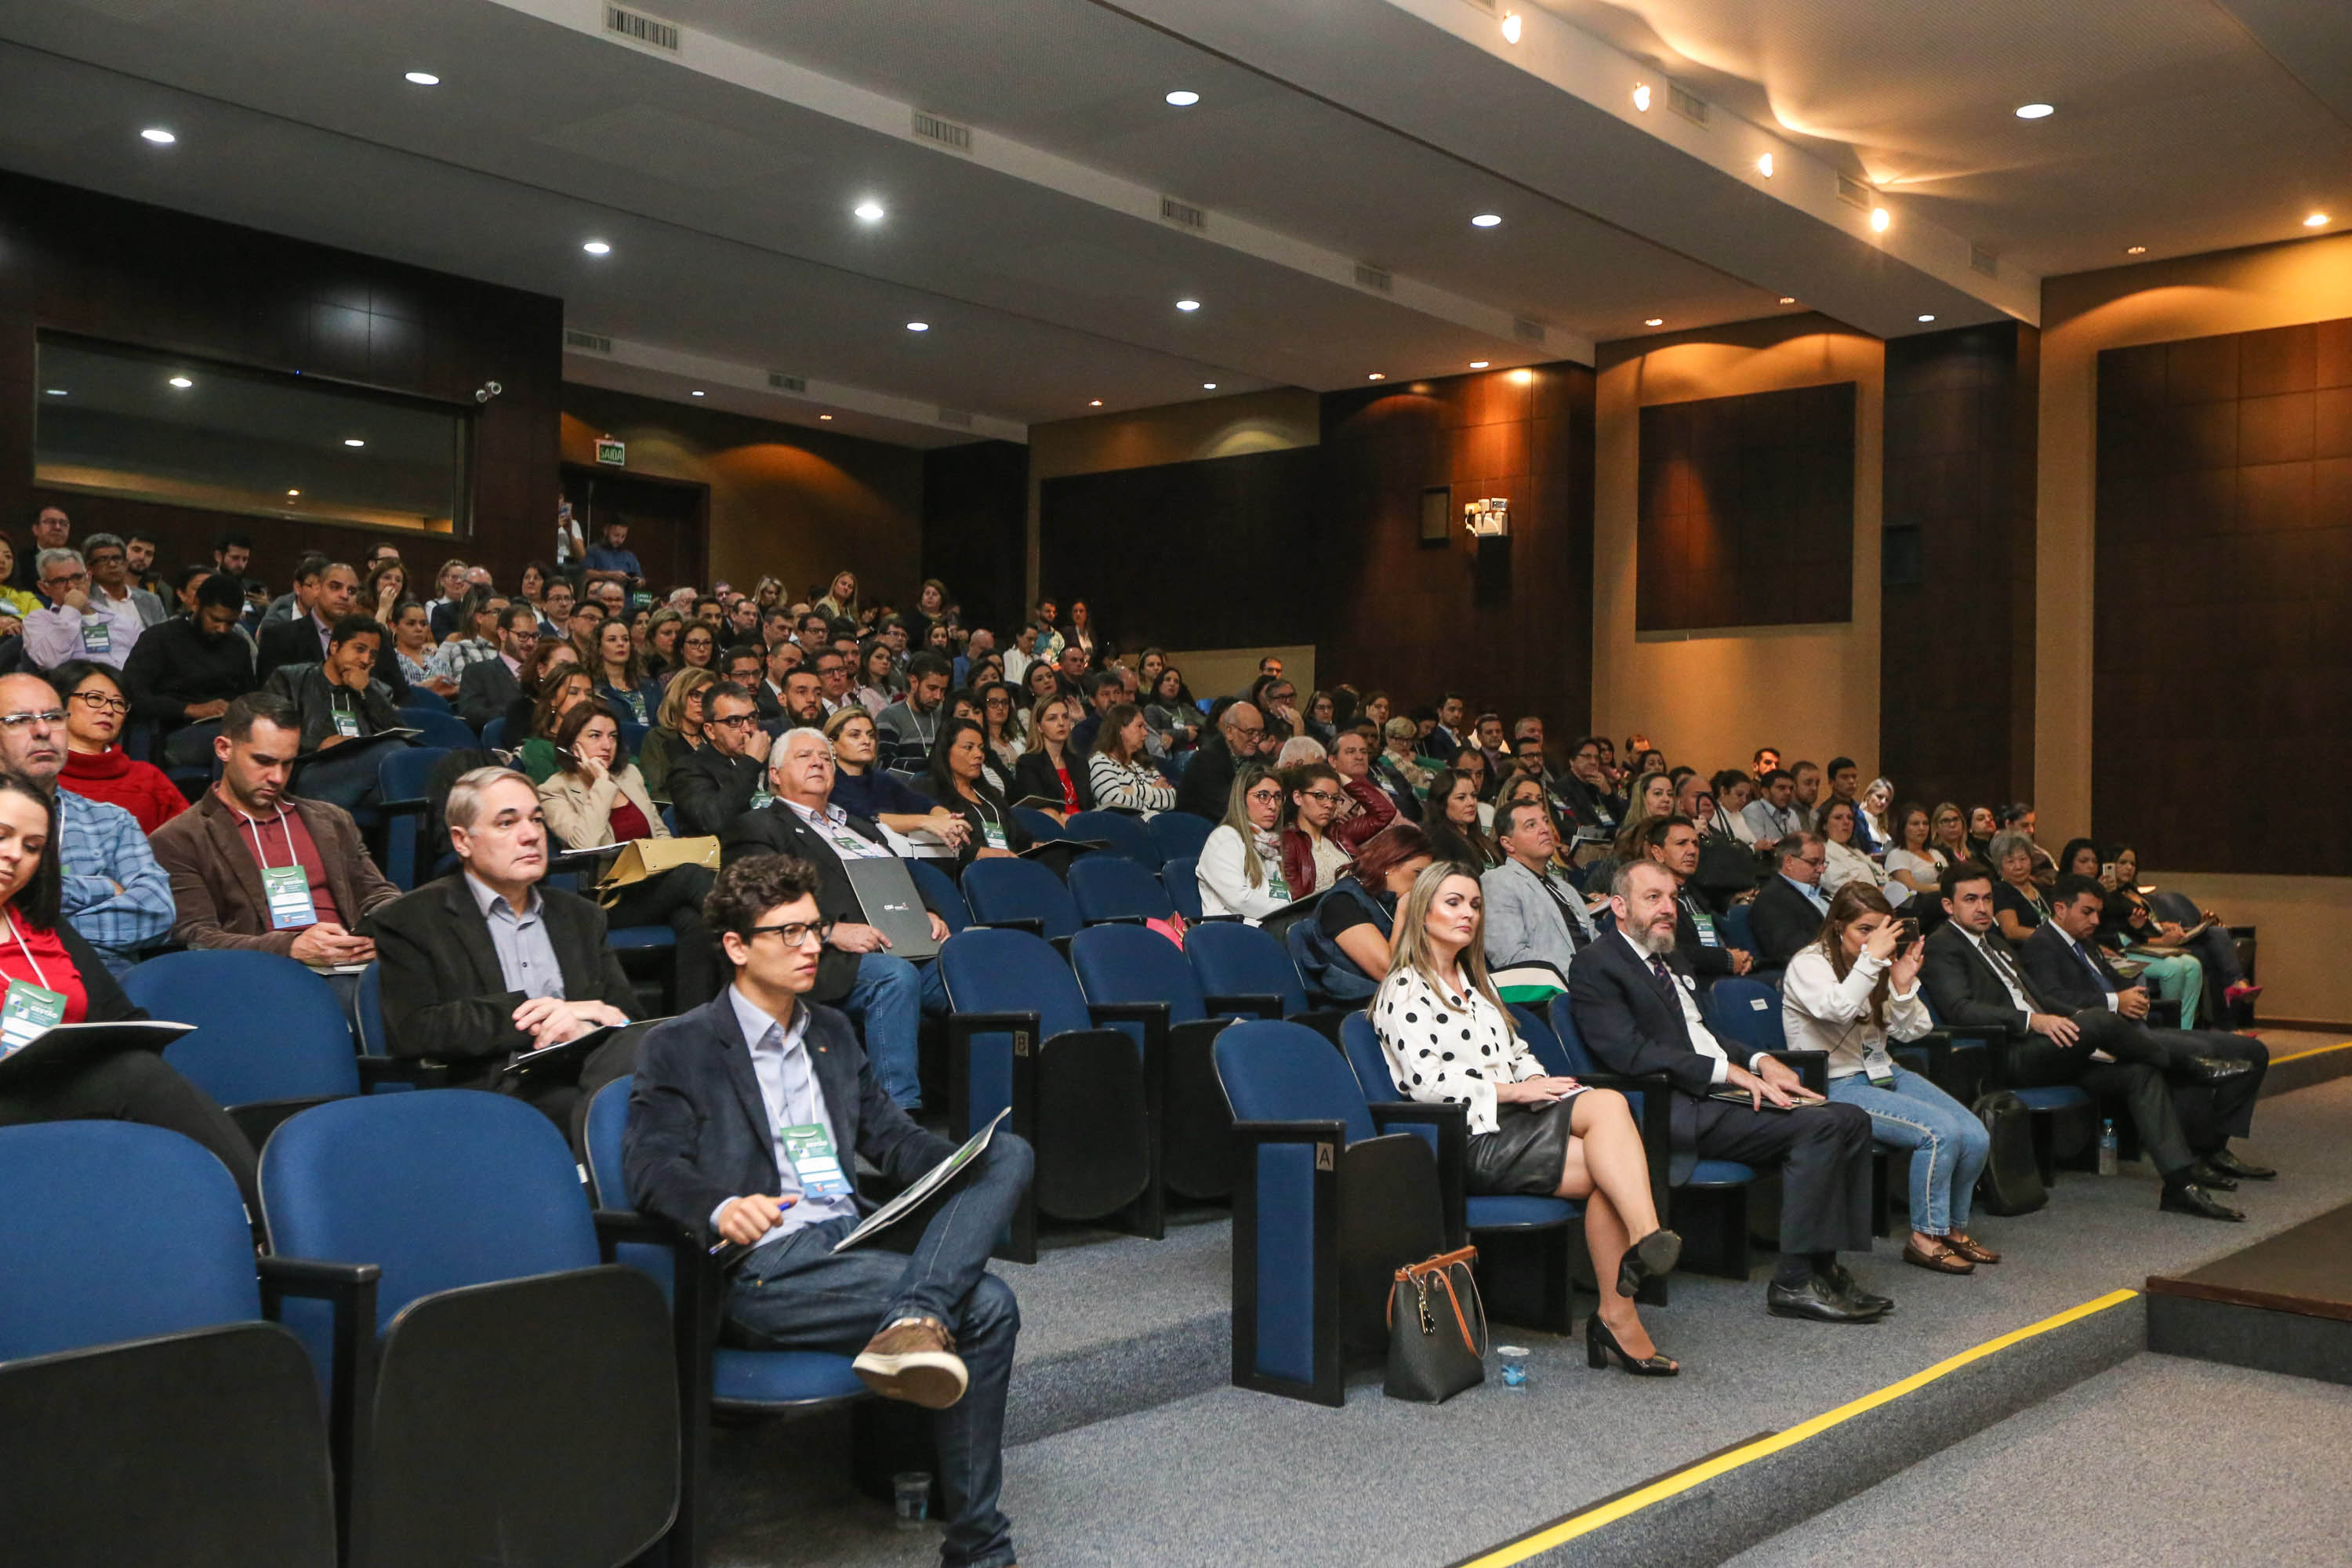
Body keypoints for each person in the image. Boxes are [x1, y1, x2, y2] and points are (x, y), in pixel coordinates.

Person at [623, 852, 1029, 1566]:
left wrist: (959, 1165)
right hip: (765, 1265)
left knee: (1010, 1152)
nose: (812, 946)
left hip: (855, 1236)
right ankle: (979, 1548)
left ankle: (915, 1314)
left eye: (814, 928)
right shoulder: (680, 1045)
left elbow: (894, 1141)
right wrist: (719, 1207)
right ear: (737, 946)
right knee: (989, 1303)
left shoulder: (831, 1033)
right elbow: (651, 1168)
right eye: (788, 933)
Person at [1375, 862, 1681, 1372]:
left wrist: (1541, 1088)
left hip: (1514, 1125)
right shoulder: (1404, 989)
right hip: (1468, 1140)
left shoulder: (1477, 986)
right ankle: (1643, 1249)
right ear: (1422, 912)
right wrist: (1517, 1093)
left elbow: (1519, 1055)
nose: (1468, 913)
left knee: (1611, 1165)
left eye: (1474, 904)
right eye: (1454, 902)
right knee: (1610, 1116)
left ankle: (1617, 1313)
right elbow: (1427, 1085)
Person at [1571, 858, 1888, 1323]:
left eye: (1672, 898)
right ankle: (1794, 1282)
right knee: (1819, 1126)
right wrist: (1725, 1072)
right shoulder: (1597, 965)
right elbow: (1629, 1055)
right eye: (1652, 898)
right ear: (1618, 906)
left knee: (1851, 1119)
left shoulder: (1671, 956)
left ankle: (1824, 1266)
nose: (1667, 909)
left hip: (1712, 1092)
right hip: (1672, 1105)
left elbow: (1710, 1033)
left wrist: (1762, 1061)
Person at [0, 768, 260, 1216]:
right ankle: (273, 1221)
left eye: (32, 847)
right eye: (1, 835)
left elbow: (120, 1018)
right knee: (134, 1077)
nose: (13, 856)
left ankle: (236, 1227)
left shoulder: (43, 927)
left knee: (139, 1067)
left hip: (56, 1089)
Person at [1921, 863, 2247, 1218]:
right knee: (2100, 1020)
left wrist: (2067, 1016)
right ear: (1949, 906)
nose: (1982, 908)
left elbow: (2041, 998)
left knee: (2139, 1073)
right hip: (2009, 1054)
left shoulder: (1993, 942)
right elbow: (1960, 1009)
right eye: (1971, 900)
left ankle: (2180, 1185)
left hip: (2050, 1051)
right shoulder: (1943, 946)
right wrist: (2033, 1021)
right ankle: (2188, 1065)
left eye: (1986, 898)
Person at [361, 768, 641, 1131]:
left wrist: (588, 1026)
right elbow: (416, 1029)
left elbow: (627, 1018)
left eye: (537, 820)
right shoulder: (411, 919)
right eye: (507, 824)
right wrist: (544, 1016)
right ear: (462, 841)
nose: (531, 836)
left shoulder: (581, 917)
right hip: (496, 1092)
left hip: (591, 1072)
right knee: (622, 1108)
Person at [719, 731, 956, 1109]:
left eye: (825, 758)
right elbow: (755, 906)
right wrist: (827, 931)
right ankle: (897, 1121)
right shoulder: (759, 826)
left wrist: (927, 912)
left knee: (969, 970)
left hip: (901, 943)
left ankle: (992, 1101)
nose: (818, 762)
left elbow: (903, 876)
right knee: (893, 978)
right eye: (804, 756)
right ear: (775, 774)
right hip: (822, 956)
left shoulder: (861, 826)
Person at [1783, 884, 1996, 1275]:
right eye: (1864, 930)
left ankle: (1951, 1228)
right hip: (1834, 1083)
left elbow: (1917, 1029)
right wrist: (1872, 962)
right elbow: (1837, 1011)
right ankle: (1924, 1238)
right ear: (1837, 927)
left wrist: (1899, 985)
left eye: (1881, 929)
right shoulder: (1808, 964)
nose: (1873, 940)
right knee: (1939, 1132)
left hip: (1884, 1071)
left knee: (1975, 1134)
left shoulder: (1877, 964)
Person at [2019, 875, 2269, 1181]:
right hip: (2100, 1042)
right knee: (2198, 1054)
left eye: (2098, 912)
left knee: (2253, 1051)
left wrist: (2136, 996)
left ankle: (2215, 1146)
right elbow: (2052, 999)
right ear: (2060, 908)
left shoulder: (2086, 943)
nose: (2096, 920)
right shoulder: (2042, 945)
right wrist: (2114, 1002)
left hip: (2137, 1029)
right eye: (2088, 912)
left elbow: (2119, 979)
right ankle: (2198, 1155)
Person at [149, 693, 395, 996]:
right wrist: (290, 947)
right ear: (224, 749)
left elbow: (376, 893)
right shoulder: (179, 838)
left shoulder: (331, 820)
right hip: (266, 975)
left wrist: (380, 931)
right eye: (263, 761)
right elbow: (197, 938)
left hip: (355, 964)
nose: (277, 778)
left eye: (287, 764)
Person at [535, 702, 719, 1011]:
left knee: (694, 922)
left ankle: (691, 1021)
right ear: (571, 743)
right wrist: (602, 786)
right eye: (595, 735)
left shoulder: (630, 774)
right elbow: (583, 845)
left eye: (613, 736)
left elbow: (659, 832)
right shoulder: (554, 790)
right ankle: (748, 931)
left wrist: (668, 857)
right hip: (608, 897)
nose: (606, 745)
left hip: (654, 885)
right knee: (690, 876)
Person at [0, 673, 174, 975]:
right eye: (19, 720)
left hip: (106, 993)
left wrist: (24, 925)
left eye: (54, 717)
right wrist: (101, 888)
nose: (42, 730)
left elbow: (157, 911)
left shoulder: (112, 821)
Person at [121, 572, 254, 768]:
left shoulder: (238, 646)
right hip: (173, 734)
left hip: (230, 726)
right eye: (215, 619)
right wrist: (191, 709)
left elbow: (248, 696)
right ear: (196, 604)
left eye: (231, 623)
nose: (222, 629)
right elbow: (133, 695)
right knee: (227, 742)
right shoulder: (159, 639)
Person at [1291, 823, 1433, 1002]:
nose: (1421, 885)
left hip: (1397, 1002)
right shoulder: (1343, 901)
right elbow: (1389, 972)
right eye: (1418, 874)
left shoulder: (1388, 902)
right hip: (1353, 1008)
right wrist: (1404, 912)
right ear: (1389, 863)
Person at [50, 660, 184, 834]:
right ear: (59, 703)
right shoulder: (37, 777)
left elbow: (189, 844)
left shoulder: (149, 779)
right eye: (95, 698)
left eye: (118, 703)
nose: (109, 710)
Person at [1480, 798, 1601, 979]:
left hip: (1598, 979)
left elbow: (1594, 937)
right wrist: (1582, 977)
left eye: (1545, 821)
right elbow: (1512, 958)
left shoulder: (1564, 888)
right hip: (1560, 992)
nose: (1545, 829)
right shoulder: (1497, 882)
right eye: (1531, 825)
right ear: (1508, 843)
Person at [920, 717, 1030, 869]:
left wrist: (1034, 844)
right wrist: (977, 853)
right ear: (946, 751)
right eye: (969, 747)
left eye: (981, 748)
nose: (979, 754)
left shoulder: (991, 793)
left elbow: (1018, 835)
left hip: (1011, 866)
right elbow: (935, 843)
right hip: (968, 873)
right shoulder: (929, 791)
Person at [669, 681, 773, 838]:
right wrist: (751, 763)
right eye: (733, 721)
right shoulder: (688, 770)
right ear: (710, 731)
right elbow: (713, 821)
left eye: (752, 718)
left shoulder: (769, 758)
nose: (747, 729)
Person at [1196, 765, 1295, 923]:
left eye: (1277, 797)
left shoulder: (1271, 844)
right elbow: (1239, 899)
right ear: (1242, 799)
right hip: (1231, 933)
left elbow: (1279, 895)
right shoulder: (1224, 839)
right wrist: (1289, 914)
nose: (1273, 805)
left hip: (1270, 927)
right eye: (1263, 796)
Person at [27, 548, 140, 670]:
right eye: (59, 581)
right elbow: (49, 662)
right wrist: (71, 608)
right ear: (44, 588)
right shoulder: (37, 621)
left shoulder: (122, 620)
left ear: (88, 578)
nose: (71, 586)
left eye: (77, 577)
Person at [256, 560, 359, 681]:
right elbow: (270, 695)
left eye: (351, 591)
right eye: (335, 587)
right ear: (317, 588)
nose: (345, 595)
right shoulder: (279, 637)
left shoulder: (365, 640)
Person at [1748, 834, 1833, 971]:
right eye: (1813, 862)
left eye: (1823, 863)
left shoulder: (1821, 891)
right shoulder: (1772, 899)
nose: (1821, 870)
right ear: (1788, 861)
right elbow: (1792, 950)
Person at [1173, 701, 1261, 822]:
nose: (1256, 740)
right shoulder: (1206, 760)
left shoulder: (1252, 753)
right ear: (1229, 732)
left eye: (1260, 733)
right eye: (1250, 733)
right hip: (1201, 828)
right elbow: (1225, 809)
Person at [1011, 693, 1095, 822]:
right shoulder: (1028, 763)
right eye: (1052, 718)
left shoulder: (1080, 762)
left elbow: (1089, 807)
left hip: (1085, 827)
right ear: (1039, 727)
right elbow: (1039, 811)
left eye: (1065, 717)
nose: (1061, 723)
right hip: (1053, 829)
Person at [458, 602, 539, 731]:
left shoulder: (543, 672)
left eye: (535, 636)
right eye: (523, 636)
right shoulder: (478, 672)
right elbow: (471, 714)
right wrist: (522, 712)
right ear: (503, 634)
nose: (530, 643)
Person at [1086, 703, 1176, 817]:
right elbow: (1114, 803)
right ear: (1120, 729)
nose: (1145, 733)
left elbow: (1172, 798)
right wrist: (1152, 791)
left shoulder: (1143, 763)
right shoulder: (1100, 762)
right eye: (1139, 726)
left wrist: (1134, 790)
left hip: (1156, 822)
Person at [638, 666, 714, 802]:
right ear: (678, 696)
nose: (703, 704)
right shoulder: (658, 738)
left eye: (708, 698)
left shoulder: (713, 738)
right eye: (696, 696)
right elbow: (657, 793)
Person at [1279, 761, 1352, 900]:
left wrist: (1342, 777)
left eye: (1335, 798)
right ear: (1298, 797)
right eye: (1320, 796)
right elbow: (1296, 902)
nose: (1329, 805)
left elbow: (1384, 813)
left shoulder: (1337, 833)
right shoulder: (1288, 841)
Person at [876, 653, 951, 778]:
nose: (938, 696)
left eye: (943, 690)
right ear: (914, 682)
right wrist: (931, 768)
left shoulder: (945, 714)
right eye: (932, 688)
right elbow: (885, 764)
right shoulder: (889, 717)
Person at [1817, 798, 1898, 906]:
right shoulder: (1823, 853)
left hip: (1889, 899)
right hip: (1861, 908)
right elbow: (1848, 892)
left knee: (1917, 896)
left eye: (1850, 818)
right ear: (1824, 825)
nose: (1846, 822)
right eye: (1838, 818)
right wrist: (1888, 892)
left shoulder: (1856, 851)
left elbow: (1884, 877)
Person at [82, 533, 165, 633]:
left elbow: (166, 639)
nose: (112, 564)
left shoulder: (152, 601)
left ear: (126, 563)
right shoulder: (84, 600)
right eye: (103, 559)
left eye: (117, 558)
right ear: (89, 567)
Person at [1421, 768, 1498, 872]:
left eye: (1473, 795)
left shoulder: (1480, 837)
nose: (1471, 803)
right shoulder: (1438, 842)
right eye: (1461, 798)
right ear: (1442, 803)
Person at [1986, 828, 2049, 942]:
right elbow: (2011, 931)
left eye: (2023, 859)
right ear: (1999, 867)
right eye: (2010, 861)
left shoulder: (2042, 886)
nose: (2018, 866)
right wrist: (2052, 937)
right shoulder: (2000, 891)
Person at [1883, 804, 1948, 904]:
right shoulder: (1897, 855)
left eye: (1925, 823)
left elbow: (1949, 878)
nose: (1922, 828)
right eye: (1915, 824)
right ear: (1903, 828)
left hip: (1942, 900)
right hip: (1914, 905)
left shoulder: (1935, 853)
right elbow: (1911, 887)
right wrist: (1942, 887)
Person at [1143, 666, 1199, 760]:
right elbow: (1152, 734)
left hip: (1192, 755)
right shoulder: (1151, 709)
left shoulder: (1186, 707)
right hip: (1166, 758)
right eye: (1168, 680)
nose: (1172, 684)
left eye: (1176, 682)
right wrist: (1184, 734)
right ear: (1159, 684)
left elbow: (1203, 724)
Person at [1743, 769, 1802, 850]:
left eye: (1791, 789)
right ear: (1765, 792)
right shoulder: (1752, 811)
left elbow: (1799, 845)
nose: (1788, 793)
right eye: (1781, 788)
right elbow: (1762, 849)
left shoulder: (1792, 813)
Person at [582, 520, 643, 590]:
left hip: (627, 597)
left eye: (623, 536)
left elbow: (642, 580)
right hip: (603, 595)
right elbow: (585, 574)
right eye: (616, 535)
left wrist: (638, 582)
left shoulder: (629, 555)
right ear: (606, 531)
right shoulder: (593, 550)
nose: (620, 540)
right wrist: (609, 575)